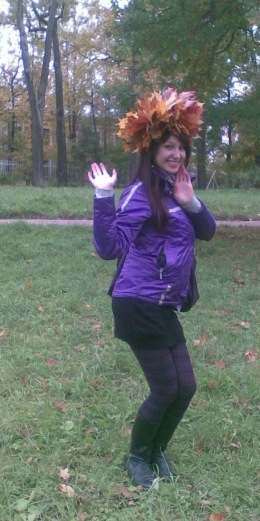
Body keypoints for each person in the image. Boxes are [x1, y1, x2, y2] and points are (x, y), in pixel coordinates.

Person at [88, 88, 216, 488]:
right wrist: (103, 196)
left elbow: (208, 231)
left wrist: (191, 202)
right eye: (168, 147)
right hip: (137, 303)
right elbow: (108, 247)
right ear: (152, 150)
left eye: (181, 148)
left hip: (161, 305)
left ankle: (157, 449)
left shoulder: (176, 189)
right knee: (165, 388)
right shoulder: (142, 193)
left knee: (186, 386)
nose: (176, 154)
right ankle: (138, 458)